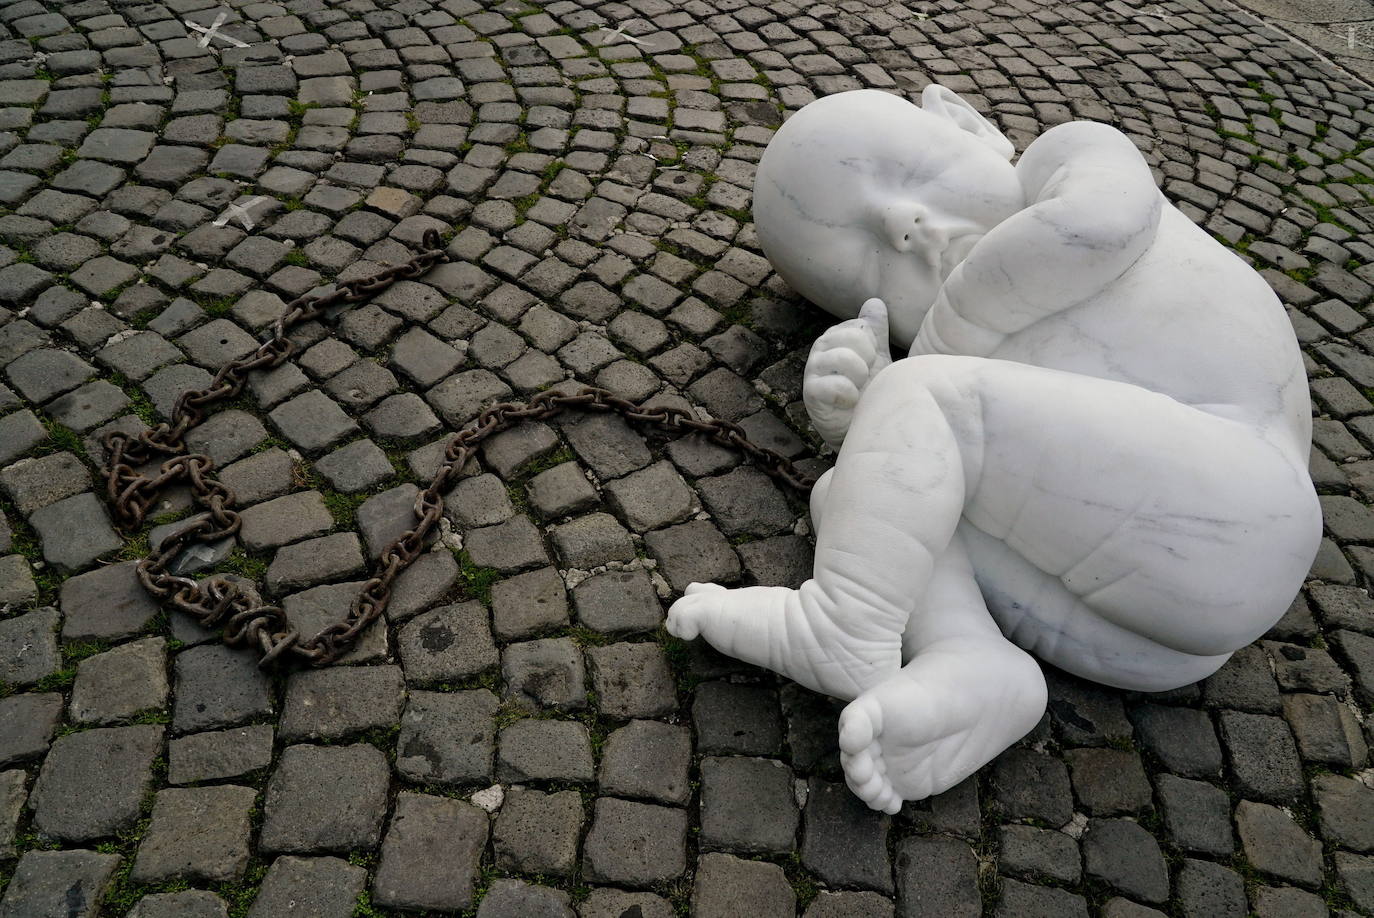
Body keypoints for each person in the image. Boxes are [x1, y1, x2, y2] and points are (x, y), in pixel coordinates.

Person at [665, 85, 1322, 814]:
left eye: (908, 173)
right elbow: (1030, 456)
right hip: (1153, 640)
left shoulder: (1071, 158)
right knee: (858, 494)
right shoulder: (979, 369)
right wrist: (858, 430)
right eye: (866, 270)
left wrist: (914, 375)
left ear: (968, 124)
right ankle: (975, 662)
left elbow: (1094, 227)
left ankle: (845, 625)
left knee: (924, 408)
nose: (900, 225)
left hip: (1248, 501)